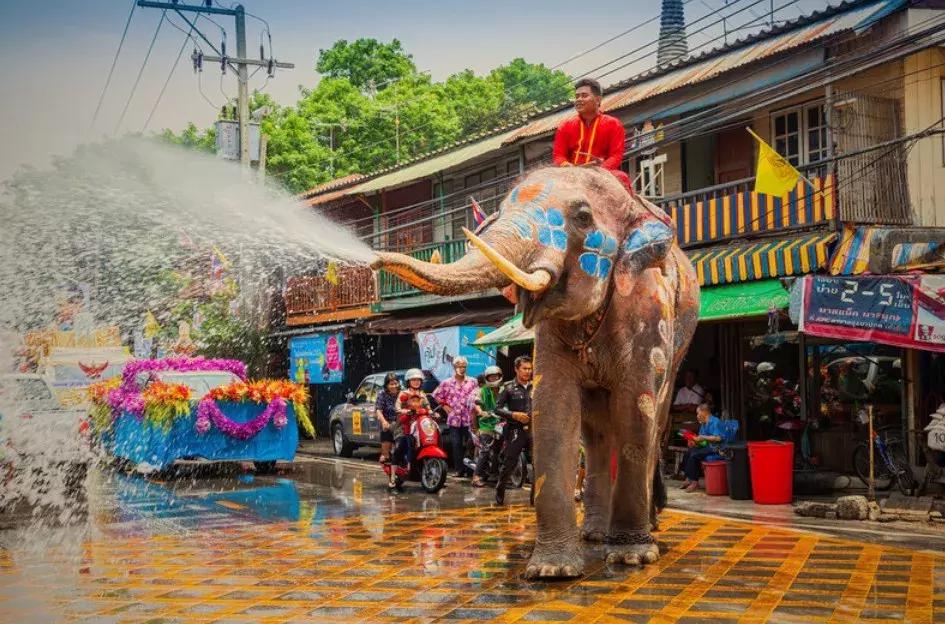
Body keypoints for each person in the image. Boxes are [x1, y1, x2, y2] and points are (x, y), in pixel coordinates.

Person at [552, 77, 631, 191]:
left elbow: (616, 156)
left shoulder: (614, 124)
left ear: (598, 100)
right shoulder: (565, 126)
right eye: (577, 96)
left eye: (584, 96)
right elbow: (558, 156)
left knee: (622, 177)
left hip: (602, 173)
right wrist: (568, 167)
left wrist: (597, 171)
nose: (579, 99)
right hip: (571, 173)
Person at [494, 356, 534, 505]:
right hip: (515, 430)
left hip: (533, 430)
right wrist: (513, 415)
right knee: (509, 462)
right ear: (516, 369)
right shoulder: (508, 387)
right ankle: (500, 487)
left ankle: (534, 498)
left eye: (530, 369)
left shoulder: (536, 386)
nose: (528, 372)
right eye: (524, 368)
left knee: (538, 463)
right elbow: (496, 409)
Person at [432, 356, 479, 478]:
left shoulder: (473, 382)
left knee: (471, 443)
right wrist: (445, 406)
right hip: (454, 419)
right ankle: (459, 470)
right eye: (459, 365)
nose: (462, 368)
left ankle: (470, 469)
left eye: (464, 366)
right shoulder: (447, 382)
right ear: (454, 367)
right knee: (456, 444)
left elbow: (478, 396)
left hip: (469, 418)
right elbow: (436, 395)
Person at [388, 392, 429, 491]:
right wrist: (408, 414)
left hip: (422, 436)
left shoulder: (423, 411)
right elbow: (402, 420)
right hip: (408, 436)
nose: (415, 403)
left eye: (417, 401)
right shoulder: (407, 412)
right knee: (400, 450)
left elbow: (428, 415)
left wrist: (434, 413)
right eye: (413, 401)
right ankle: (394, 476)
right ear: (409, 402)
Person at [680, 403, 725, 493]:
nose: (697, 415)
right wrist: (694, 442)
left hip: (716, 448)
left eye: (698, 413)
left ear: (704, 412)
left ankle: (694, 481)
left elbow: (718, 438)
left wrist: (703, 438)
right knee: (688, 452)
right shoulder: (703, 424)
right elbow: (702, 441)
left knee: (694, 455)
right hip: (707, 447)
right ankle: (688, 478)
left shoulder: (715, 421)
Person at [471, 365, 503, 488]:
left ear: (500, 376)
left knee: (500, 449)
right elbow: (477, 404)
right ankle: (476, 477)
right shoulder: (483, 390)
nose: (494, 379)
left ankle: (496, 472)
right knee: (485, 450)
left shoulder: (504, 389)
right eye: (491, 377)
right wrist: (481, 411)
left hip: (501, 422)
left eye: (496, 376)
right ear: (487, 378)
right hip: (486, 424)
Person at [374, 372, 401, 464]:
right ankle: (385, 455)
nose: (394, 386)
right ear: (387, 385)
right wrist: (384, 422)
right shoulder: (382, 394)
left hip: (402, 420)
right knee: (386, 428)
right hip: (388, 421)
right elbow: (378, 410)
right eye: (391, 384)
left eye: (395, 383)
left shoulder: (403, 393)